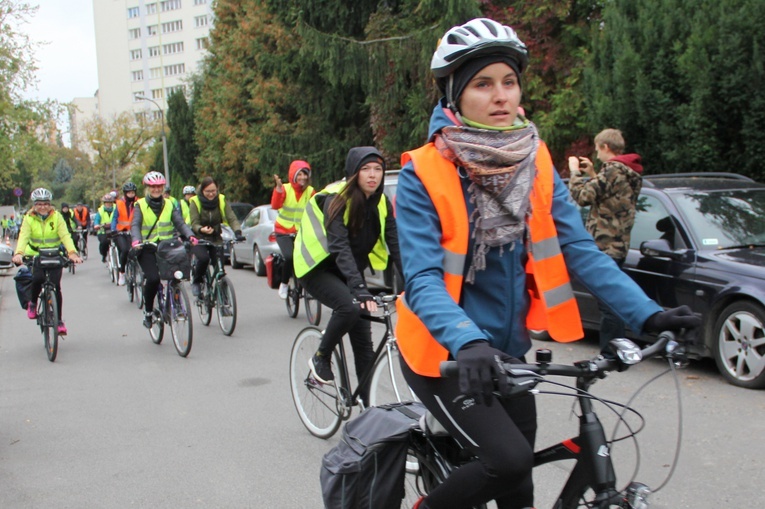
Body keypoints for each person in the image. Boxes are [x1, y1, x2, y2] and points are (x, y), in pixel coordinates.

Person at [393, 18, 700, 509]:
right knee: (509, 461)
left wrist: (648, 314)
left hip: (509, 352)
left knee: (521, 492)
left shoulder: (533, 158)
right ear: (453, 95)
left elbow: (578, 248)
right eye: (483, 84)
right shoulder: (422, 172)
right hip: (445, 356)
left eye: (509, 81)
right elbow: (425, 276)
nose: (501, 96)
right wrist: (466, 340)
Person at [295, 147, 402, 405]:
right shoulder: (336, 199)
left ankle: (368, 410)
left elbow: (396, 244)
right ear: (354, 173)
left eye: (378, 169)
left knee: (364, 343)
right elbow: (339, 246)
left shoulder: (381, 202)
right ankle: (321, 356)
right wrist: (359, 289)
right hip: (317, 267)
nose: (373, 175)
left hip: (349, 270)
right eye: (366, 169)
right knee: (349, 308)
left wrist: (413, 284)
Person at [568, 128, 644, 357]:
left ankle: (612, 353)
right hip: (619, 244)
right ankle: (620, 350)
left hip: (604, 244)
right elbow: (609, 198)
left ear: (605, 147)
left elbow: (582, 196)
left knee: (608, 303)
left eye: (597, 148)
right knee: (614, 298)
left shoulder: (612, 170)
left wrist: (574, 172)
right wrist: (593, 173)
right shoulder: (629, 172)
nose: (596, 153)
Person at [12, 188, 83, 335]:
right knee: (37, 279)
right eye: (39, 204)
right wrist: (19, 253)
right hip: (35, 255)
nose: (43, 207)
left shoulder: (57, 217)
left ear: (50, 204)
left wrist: (72, 253)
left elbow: (65, 235)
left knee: (56, 286)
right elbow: (24, 236)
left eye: (45, 203)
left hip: (54, 254)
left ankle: (59, 321)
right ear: (34, 205)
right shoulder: (29, 218)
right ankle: (33, 303)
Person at [131, 171, 196, 329]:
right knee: (153, 279)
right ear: (147, 188)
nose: (156, 189)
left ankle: (177, 305)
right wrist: (136, 240)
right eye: (153, 186)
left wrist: (190, 235)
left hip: (166, 246)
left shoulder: (169, 204)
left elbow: (179, 223)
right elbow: (136, 224)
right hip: (147, 247)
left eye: (159, 186)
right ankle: (148, 311)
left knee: (176, 275)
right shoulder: (140, 205)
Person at [188, 176, 244, 296]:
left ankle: (223, 299)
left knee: (219, 268)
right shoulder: (195, 201)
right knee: (203, 259)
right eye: (208, 191)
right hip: (199, 239)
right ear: (202, 190)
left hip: (215, 238)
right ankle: (197, 282)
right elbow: (194, 223)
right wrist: (201, 229)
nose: (211, 194)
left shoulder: (221, 200)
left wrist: (237, 231)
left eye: (213, 191)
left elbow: (231, 218)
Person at [271, 160, 315, 299]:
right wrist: (278, 189)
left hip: (301, 231)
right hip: (283, 231)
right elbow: (276, 205)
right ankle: (284, 284)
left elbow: (316, 209)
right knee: (289, 257)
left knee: (309, 257)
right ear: (293, 175)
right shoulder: (284, 188)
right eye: (299, 174)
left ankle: (306, 284)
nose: (303, 178)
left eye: (305, 175)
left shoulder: (310, 191)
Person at [112, 182, 138, 286]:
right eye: (129, 193)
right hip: (121, 232)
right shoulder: (119, 203)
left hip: (133, 232)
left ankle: (137, 271)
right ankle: (122, 272)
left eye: (132, 193)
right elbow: (114, 218)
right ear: (125, 193)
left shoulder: (138, 202)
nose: (131, 195)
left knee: (137, 251)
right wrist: (114, 229)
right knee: (124, 250)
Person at [94, 194, 116, 264]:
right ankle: (104, 255)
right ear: (104, 203)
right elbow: (97, 219)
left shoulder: (116, 208)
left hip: (113, 229)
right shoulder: (100, 211)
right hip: (103, 231)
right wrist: (96, 225)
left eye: (110, 203)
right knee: (104, 242)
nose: (108, 204)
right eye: (107, 203)